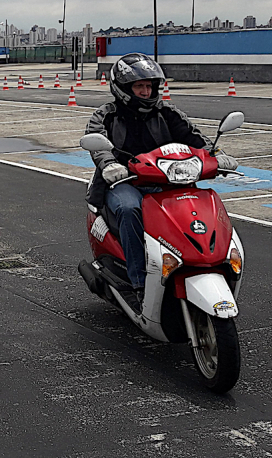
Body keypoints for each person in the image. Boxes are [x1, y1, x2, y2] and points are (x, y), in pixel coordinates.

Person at [84, 53, 238, 312]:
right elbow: (96, 139)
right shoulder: (106, 115)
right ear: (123, 89)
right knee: (129, 210)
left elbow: (193, 136)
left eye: (149, 86)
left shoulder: (166, 113)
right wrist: (109, 164)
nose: (145, 92)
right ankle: (139, 283)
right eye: (139, 87)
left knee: (198, 205)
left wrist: (216, 156)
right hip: (125, 183)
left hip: (165, 180)